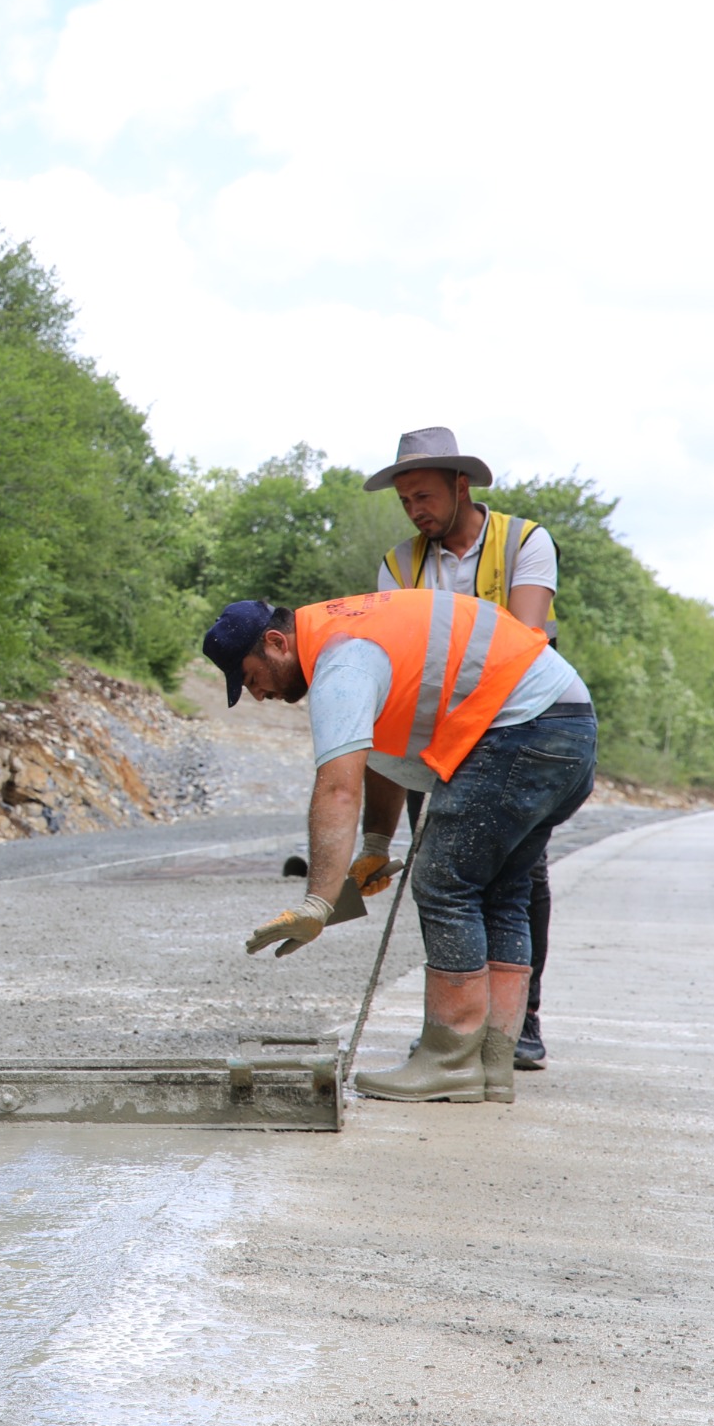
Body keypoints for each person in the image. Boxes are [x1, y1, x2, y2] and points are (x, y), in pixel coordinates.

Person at [202, 591, 595, 1104]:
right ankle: (490, 1064)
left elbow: (338, 787)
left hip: (521, 727)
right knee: (503, 892)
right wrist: (375, 844)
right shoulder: (355, 632)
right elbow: (379, 753)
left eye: (253, 677)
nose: (257, 694)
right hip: (567, 725)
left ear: (276, 643)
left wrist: (317, 902)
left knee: (444, 883)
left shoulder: (340, 660)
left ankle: (449, 1060)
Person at [366, 425, 561, 1071]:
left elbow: (527, 638)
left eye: (423, 496)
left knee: (518, 876)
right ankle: (457, 1027)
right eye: (405, 502)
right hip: (438, 742)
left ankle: (519, 1025)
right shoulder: (398, 566)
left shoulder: (525, 542)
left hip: (518, 732)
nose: (416, 511)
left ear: (460, 485)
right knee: (442, 878)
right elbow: (395, 661)